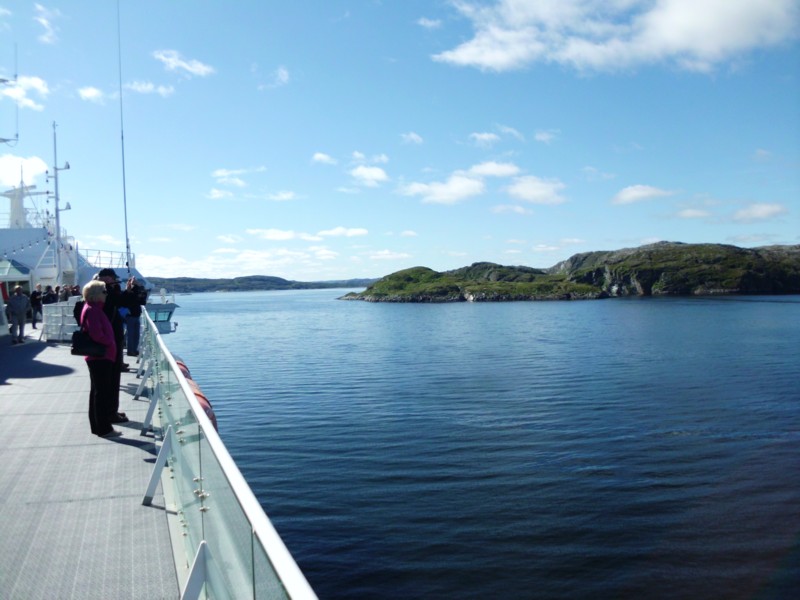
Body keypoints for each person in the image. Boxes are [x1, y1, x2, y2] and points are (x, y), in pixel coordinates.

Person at [80, 280, 121, 437]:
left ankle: (97, 426)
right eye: (104, 291)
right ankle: (104, 429)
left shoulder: (92, 308)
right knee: (102, 393)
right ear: (96, 294)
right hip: (100, 357)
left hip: (98, 357)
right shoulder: (93, 310)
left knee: (97, 392)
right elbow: (96, 334)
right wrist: (110, 342)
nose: (106, 294)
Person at [124, 277, 147, 356]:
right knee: (131, 334)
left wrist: (137, 286)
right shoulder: (130, 293)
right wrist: (138, 286)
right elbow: (141, 299)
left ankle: (133, 349)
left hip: (135, 315)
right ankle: (131, 350)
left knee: (135, 334)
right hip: (131, 316)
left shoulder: (134, 292)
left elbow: (142, 301)